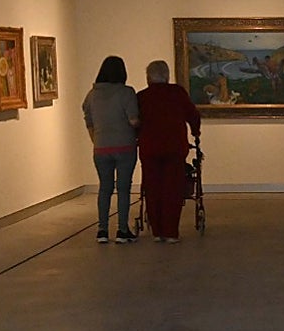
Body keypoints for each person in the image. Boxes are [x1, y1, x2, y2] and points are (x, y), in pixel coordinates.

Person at [137, 60, 202, 243]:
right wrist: (196, 133)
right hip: (174, 148)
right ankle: (171, 231)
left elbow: (135, 121)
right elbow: (193, 115)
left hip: (149, 148)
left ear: (149, 77)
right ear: (167, 76)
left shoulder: (142, 96)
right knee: (172, 189)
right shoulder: (177, 93)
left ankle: (157, 231)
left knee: (152, 188)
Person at [82, 56, 140, 243]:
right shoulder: (126, 93)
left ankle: (102, 230)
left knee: (104, 189)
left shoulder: (92, 95)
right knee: (123, 189)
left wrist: (96, 140)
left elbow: (88, 121)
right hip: (125, 146)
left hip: (101, 148)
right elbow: (133, 120)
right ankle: (122, 230)